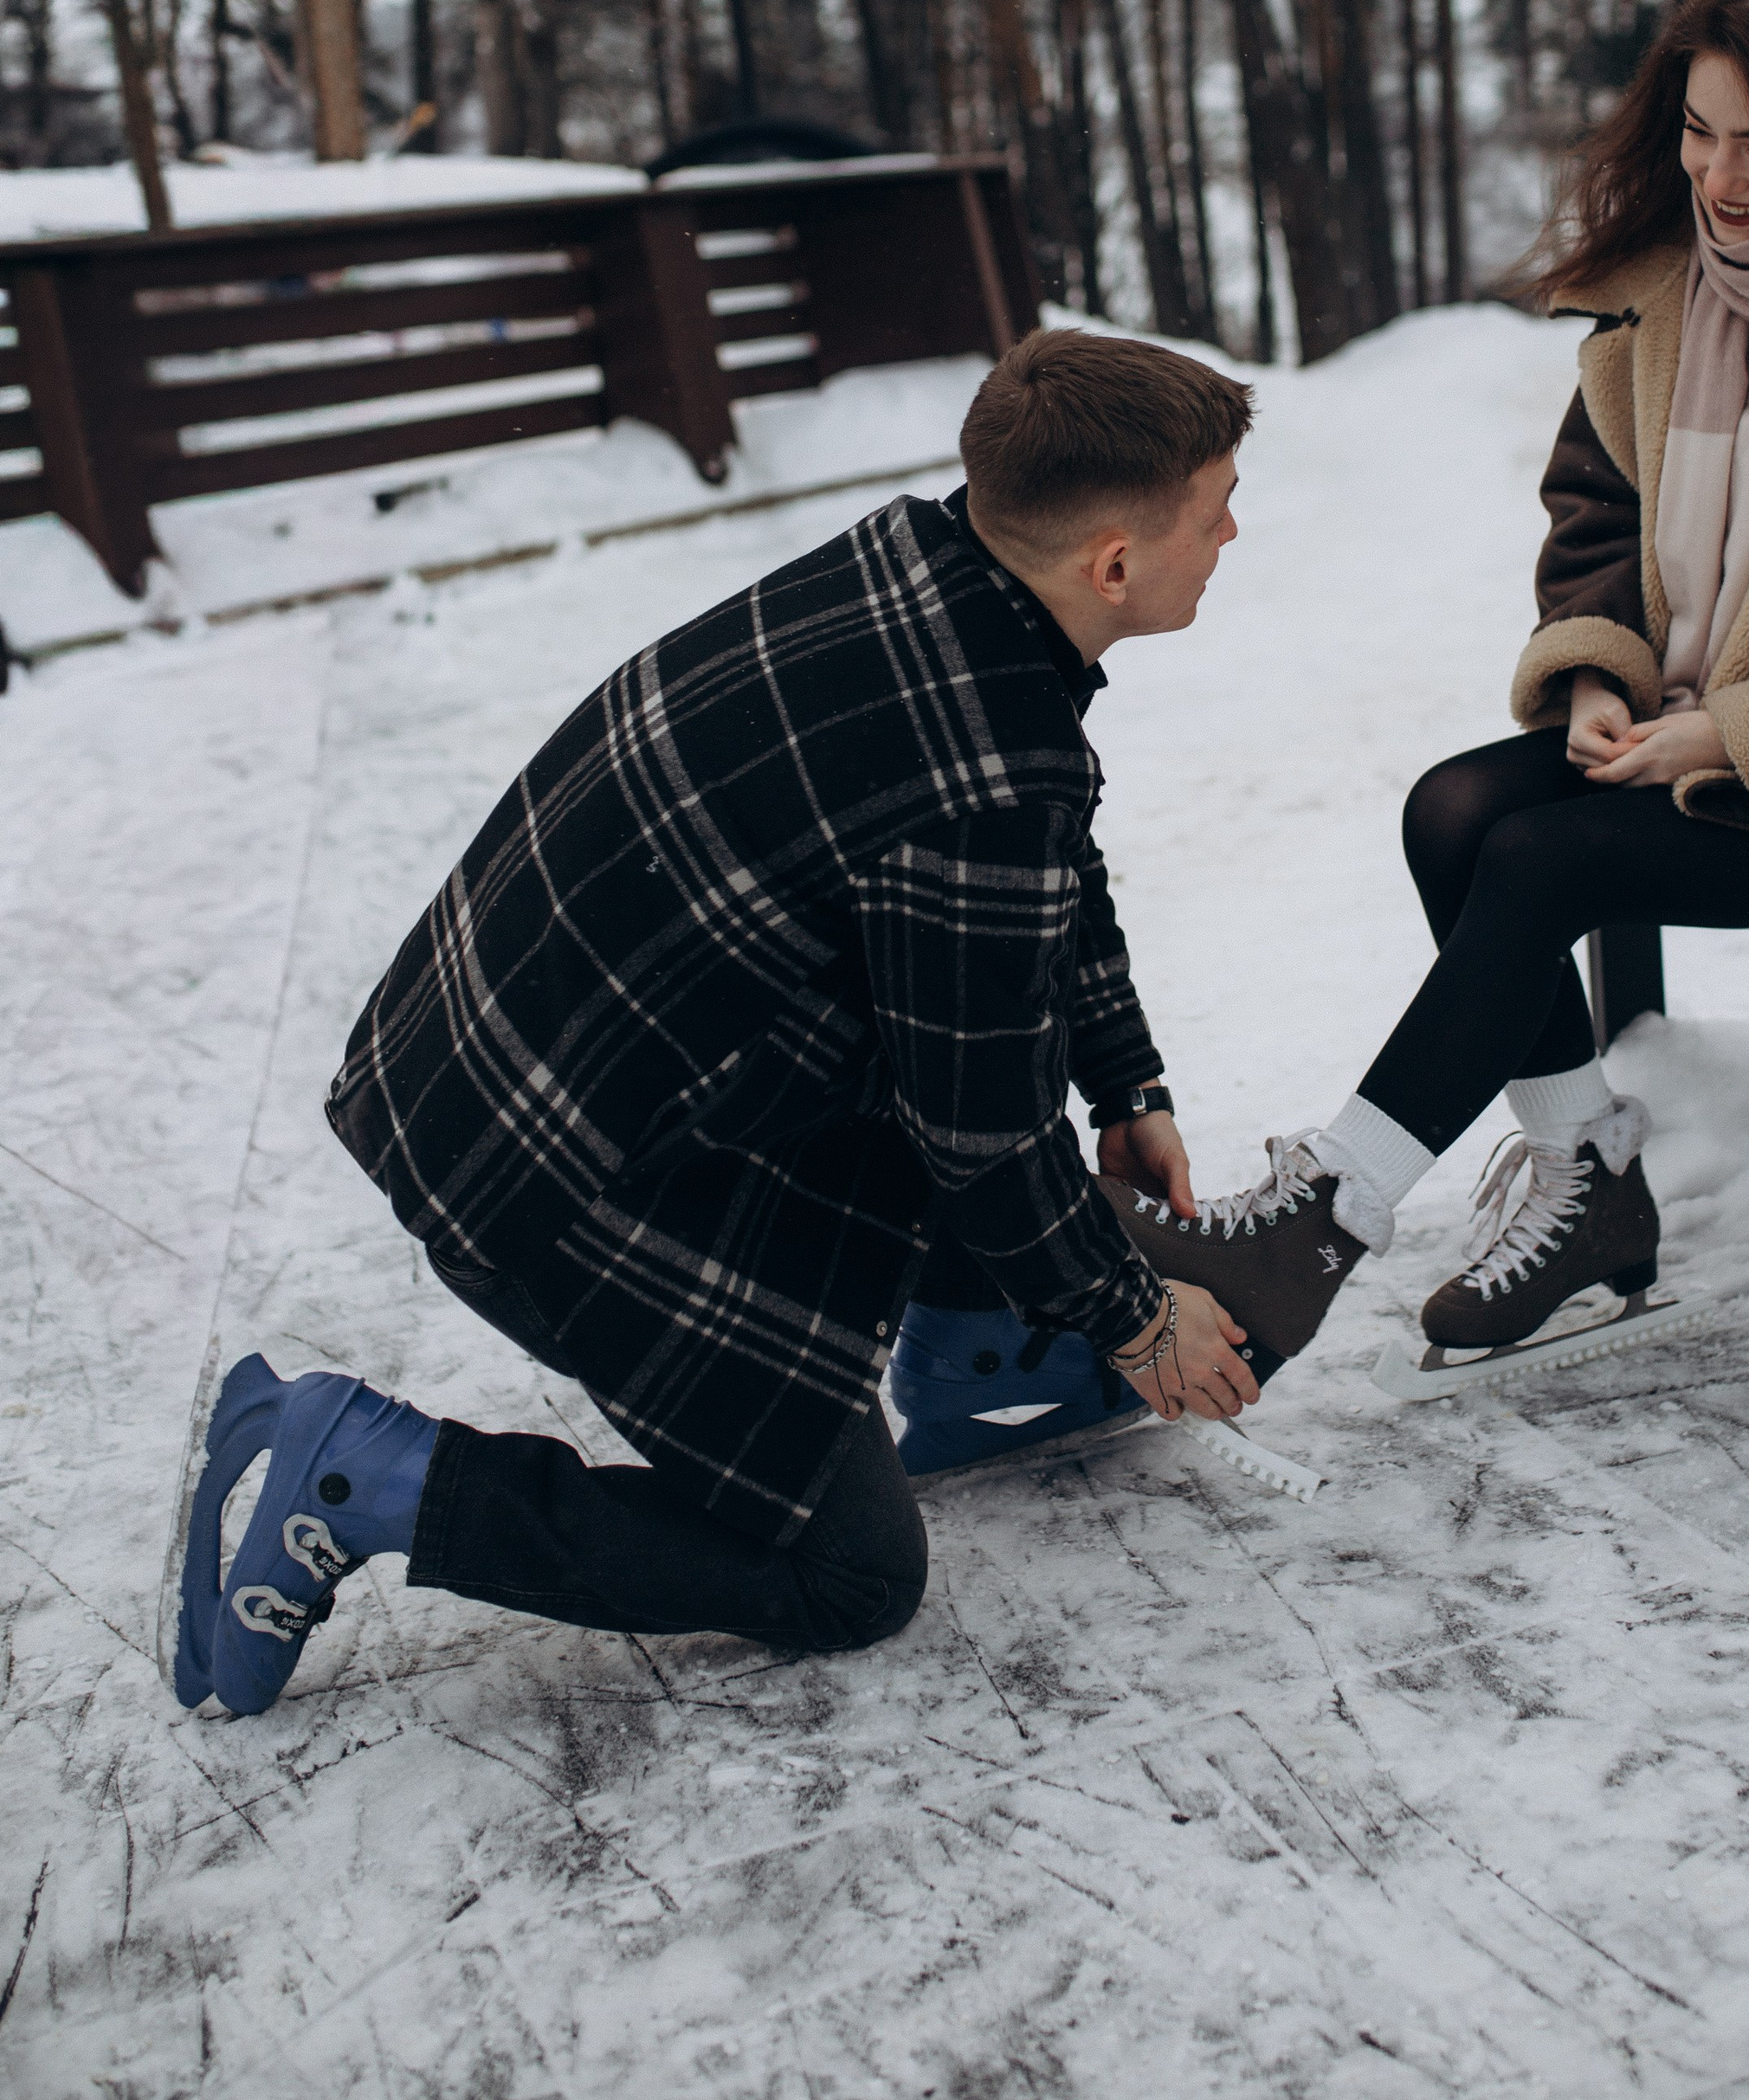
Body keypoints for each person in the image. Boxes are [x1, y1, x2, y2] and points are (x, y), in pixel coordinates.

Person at [173, 330, 1261, 1718]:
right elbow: (981, 1128)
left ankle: (972, 1334)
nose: (1234, 530)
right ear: (1113, 562)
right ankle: (369, 1479)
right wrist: (1131, 1318)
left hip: (505, 1067)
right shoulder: (984, 765)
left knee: (963, 1004)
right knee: (850, 1578)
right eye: (1215, 505)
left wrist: (1123, 1080)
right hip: (553, 1175)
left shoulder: (929, 574)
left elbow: (1040, 883)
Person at [1103, 0, 1749, 1373]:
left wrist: (1739, 732)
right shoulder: (1668, 306)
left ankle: (1329, 1215)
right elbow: (1600, 517)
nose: (1725, 178)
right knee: (1453, 807)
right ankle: (1590, 1187)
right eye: (1700, 133)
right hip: (1697, 729)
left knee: (1543, 860)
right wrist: (1603, 677)